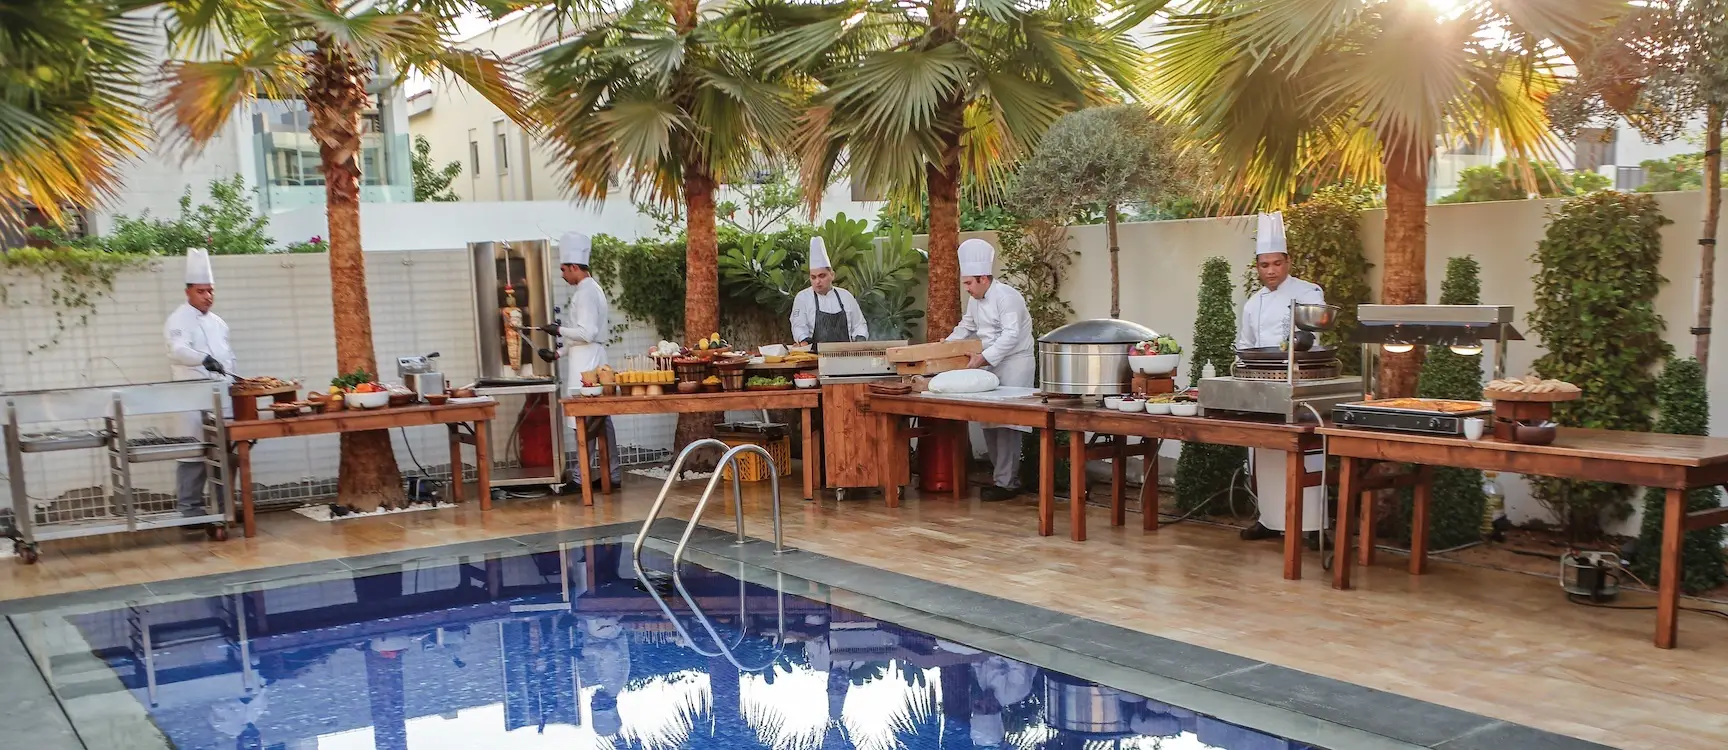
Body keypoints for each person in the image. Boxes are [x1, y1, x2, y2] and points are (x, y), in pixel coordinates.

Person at [1234, 212, 1327, 544]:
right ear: (1257, 267)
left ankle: (1314, 526)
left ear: (1288, 262)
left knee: (1305, 450)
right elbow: (1244, 344)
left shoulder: (1309, 291)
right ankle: (1269, 518)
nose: (1271, 270)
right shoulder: (1252, 303)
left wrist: (1302, 341)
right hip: (1262, 383)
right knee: (1263, 450)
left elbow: (1315, 334)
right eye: (1264, 265)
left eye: (1277, 263)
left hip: (1299, 380)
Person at [944, 238, 1035, 501]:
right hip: (988, 363)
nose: (967, 288)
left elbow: (1010, 335)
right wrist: (946, 345)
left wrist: (984, 358)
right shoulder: (975, 300)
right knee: (989, 420)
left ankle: (1007, 482)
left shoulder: (1008, 297)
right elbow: (966, 327)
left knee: (1008, 424)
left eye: (969, 283)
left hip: (1015, 363)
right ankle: (1001, 478)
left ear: (984, 278)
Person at [542, 231, 622, 491]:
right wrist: (558, 352)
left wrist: (559, 331)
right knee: (599, 421)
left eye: (564, 269)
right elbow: (583, 334)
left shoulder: (586, 292)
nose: (563, 274)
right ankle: (612, 474)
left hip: (588, 365)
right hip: (587, 358)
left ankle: (580, 479)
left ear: (575, 267)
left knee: (585, 421)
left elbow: (586, 333)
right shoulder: (587, 289)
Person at [164, 248, 235, 520]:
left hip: (220, 399)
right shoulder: (178, 319)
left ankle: (222, 509)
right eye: (202, 291)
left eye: (211, 291)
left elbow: (229, 357)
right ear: (188, 292)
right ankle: (189, 512)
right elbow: (177, 351)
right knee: (193, 457)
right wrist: (204, 360)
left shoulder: (219, 323)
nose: (208, 296)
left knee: (223, 457)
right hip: (191, 400)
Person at [790, 236, 869, 348]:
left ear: (832, 275)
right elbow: (798, 326)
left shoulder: (846, 296)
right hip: (815, 357)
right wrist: (804, 340)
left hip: (846, 355)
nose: (817, 281)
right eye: (813, 277)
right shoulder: (802, 298)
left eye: (822, 276)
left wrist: (860, 339)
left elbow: (859, 324)